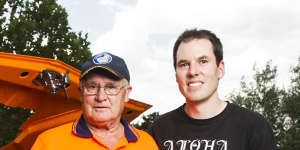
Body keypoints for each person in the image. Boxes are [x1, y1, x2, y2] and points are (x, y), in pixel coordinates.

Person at [147, 29, 277, 150]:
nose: (193, 72)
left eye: (203, 61)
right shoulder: (158, 130)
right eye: (184, 64)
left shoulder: (253, 127)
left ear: (220, 69)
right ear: (176, 75)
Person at [31, 52, 159, 150]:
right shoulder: (49, 143)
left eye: (111, 87)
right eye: (92, 87)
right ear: (81, 92)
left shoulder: (147, 144)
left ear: (126, 93)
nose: (100, 97)